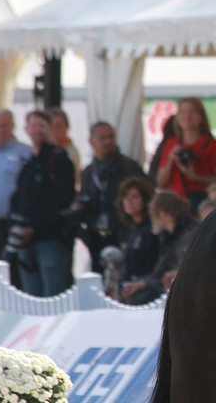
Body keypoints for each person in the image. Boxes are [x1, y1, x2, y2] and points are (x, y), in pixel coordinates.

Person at [8, 110, 76, 297]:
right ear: (26, 129)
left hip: (50, 240)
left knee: (53, 298)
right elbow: (18, 198)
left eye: (42, 126)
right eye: (34, 125)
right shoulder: (28, 163)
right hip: (25, 242)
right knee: (31, 300)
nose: (38, 130)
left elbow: (62, 200)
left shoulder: (59, 159)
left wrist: (35, 228)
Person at [76, 122, 146, 272]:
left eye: (111, 137)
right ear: (91, 141)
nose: (108, 142)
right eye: (102, 138)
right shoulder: (88, 171)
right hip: (97, 236)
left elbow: (145, 196)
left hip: (124, 233)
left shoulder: (129, 167)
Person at [120, 190, 198, 303]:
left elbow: (189, 271)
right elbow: (161, 269)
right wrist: (142, 284)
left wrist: (176, 274)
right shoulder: (168, 236)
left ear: (162, 214)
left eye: (152, 215)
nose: (151, 220)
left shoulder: (189, 235)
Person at [155, 98, 216, 213]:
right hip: (177, 204)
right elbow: (160, 183)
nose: (187, 116)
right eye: (182, 112)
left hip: (204, 204)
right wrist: (170, 160)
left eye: (192, 112)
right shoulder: (172, 144)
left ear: (201, 117)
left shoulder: (213, 145)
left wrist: (195, 176)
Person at [114, 176, 160, 305]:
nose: (129, 202)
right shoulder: (130, 230)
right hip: (130, 287)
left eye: (134, 197)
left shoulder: (153, 228)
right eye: (125, 197)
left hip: (149, 290)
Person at [48, 107, 81, 188]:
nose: (54, 130)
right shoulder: (46, 149)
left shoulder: (71, 152)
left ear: (67, 127)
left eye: (58, 126)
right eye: (51, 126)